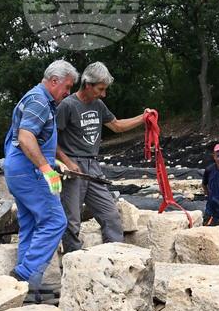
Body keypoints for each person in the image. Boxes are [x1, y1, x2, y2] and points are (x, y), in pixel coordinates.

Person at [56, 62, 152, 252]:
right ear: (87, 84)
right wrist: (67, 163)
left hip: (92, 165)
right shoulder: (67, 106)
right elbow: (51, 141)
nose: (103, 94)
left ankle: (114, 257)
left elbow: (116, 125)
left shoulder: (98, 104)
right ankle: (73, 261)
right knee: (72, 220)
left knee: (110, 215)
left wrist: (143, 118)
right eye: (100, 89)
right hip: (72, 167)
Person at [3, 60, 77, 294]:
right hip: (30, 172)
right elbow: (25, 138)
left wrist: (54, 161)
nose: (68, 93)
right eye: (66, 87)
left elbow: (32, 140)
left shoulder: (37, 99)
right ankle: (24, 275)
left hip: (18, 170)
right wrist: (47, 170)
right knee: (56, 221)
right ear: (54, 81)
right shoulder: (38, 101)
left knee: (32, 224)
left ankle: (27, 288)